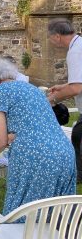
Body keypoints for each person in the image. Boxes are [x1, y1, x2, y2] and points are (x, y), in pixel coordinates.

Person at [0, 57, 76, 217]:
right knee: (56, 217)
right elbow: (34, 125)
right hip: (65, 152)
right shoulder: (32, 89)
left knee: (23, 213)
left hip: (35, 156)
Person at [47, 18, 82, 183]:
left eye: (50, 37)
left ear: (57, 36)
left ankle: (76, 180)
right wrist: (64, 86)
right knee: (77, 135)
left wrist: (52, 99)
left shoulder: (75, 51)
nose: (51, 41)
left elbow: (76, 89)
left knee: (78, 140)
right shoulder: (79, 43)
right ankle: (76, 178)